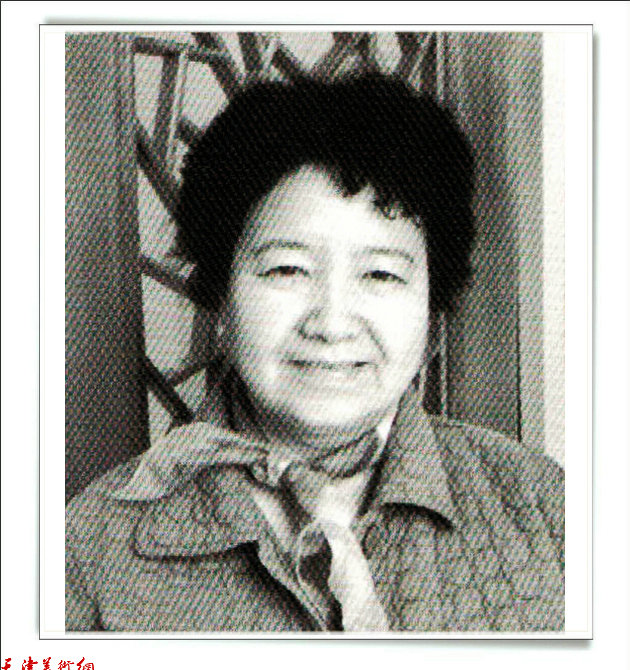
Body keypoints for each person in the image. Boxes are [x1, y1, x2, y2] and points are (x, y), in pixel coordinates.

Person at [66, 74, 564, 632]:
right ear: (222, 299)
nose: (331, 323)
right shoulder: (92, 543)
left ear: (432, 308)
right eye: (287, 269)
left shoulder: (546, 507)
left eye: (380, 274)